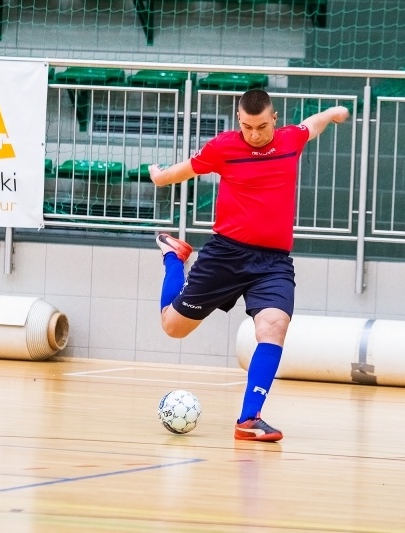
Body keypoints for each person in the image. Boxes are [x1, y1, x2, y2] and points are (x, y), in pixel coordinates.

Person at [149, 89, 350, 442]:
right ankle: (173, 257)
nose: (253, 135)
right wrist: (158, 176)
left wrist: (333, 111)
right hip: (225, 255)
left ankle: (249, 419)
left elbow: (311, 125)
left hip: (273, 262)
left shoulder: (290, 140)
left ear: (274, 118)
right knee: (173, 328)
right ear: (238, 122)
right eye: (246, 127)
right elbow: (182, 172)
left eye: (260, 126)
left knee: (274, 325)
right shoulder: (223, 147)